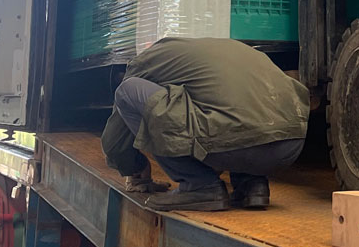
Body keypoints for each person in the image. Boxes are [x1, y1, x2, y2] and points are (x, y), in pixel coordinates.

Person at [101, 36, 310, 212]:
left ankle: (198, 185)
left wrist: (135, 167)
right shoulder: (226, 49)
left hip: (236, 147)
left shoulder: (144, 62)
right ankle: (252, 185)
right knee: (231, 100)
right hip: (290, 146)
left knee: (128, 90)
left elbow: (114, 143)